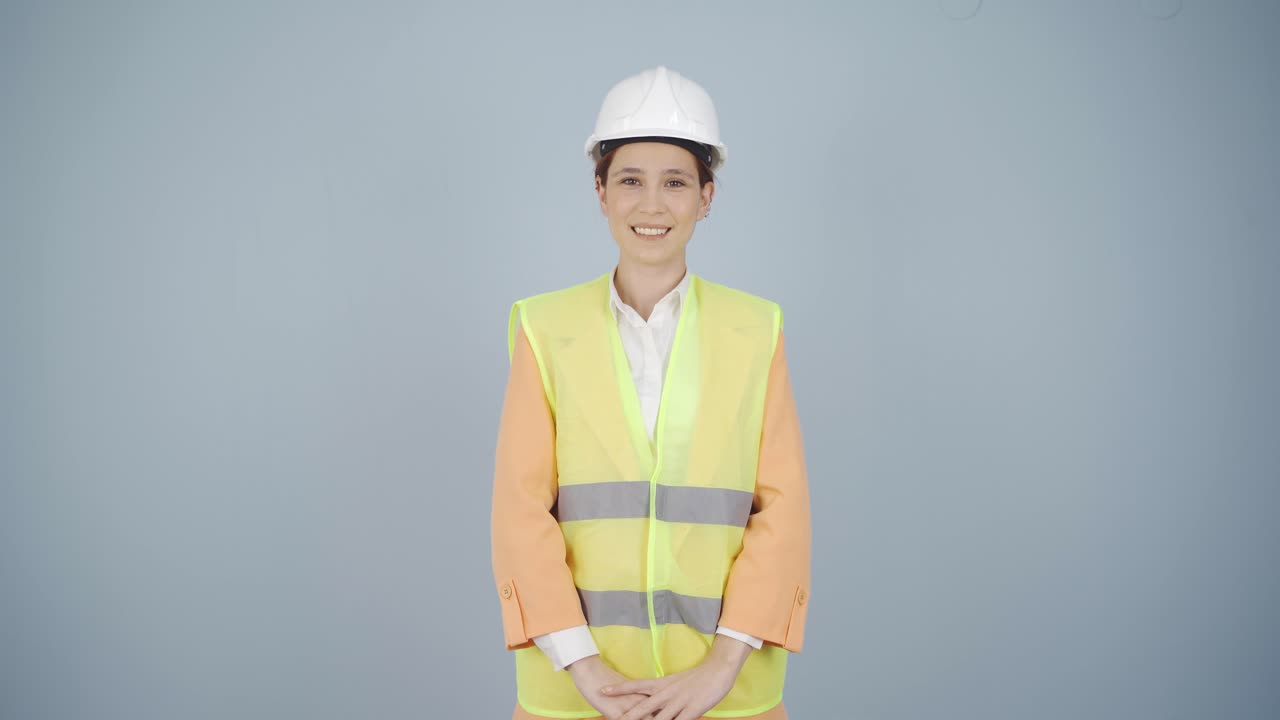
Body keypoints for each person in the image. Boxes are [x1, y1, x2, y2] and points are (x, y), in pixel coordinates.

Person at [491, 66, 812, 720]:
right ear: (601, 192)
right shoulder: (543, 327)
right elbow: (520, 511)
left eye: (676, 183)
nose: (652, 205)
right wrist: (585, 668)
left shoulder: (757, 328)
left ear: (707, 196)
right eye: (631, 181)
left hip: (726, 698)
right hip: (575, 696)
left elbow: (782, 511)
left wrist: (719, 670)